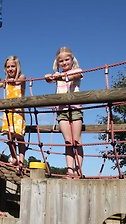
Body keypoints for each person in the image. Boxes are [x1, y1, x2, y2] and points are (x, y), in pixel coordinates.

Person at [44, 47, 84, 178]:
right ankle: (70, 170)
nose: (65, 62)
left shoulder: (77, 70)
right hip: (62, 110)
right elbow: (49, 79)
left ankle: (78, 169)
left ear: (72, 60)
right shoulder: (57, 75)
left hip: (75, 108)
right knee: (68, 141)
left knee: (76, 141)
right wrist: (49, 77)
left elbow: (76, 75)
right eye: (61, 61)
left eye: (67, 59)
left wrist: (60, 77)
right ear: (57, 63)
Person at [0, 55, 26, 175]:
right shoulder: (5, 81)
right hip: (8, 112)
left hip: (18, 112)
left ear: (17, 67)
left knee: (19, 137)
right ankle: (15, 159)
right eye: (8, 67)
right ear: (5, 69)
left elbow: (20, 81)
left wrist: (12, 80)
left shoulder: (21, 77)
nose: (10, 69)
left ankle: (21, 161)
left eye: (13, 66)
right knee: (9, 136)